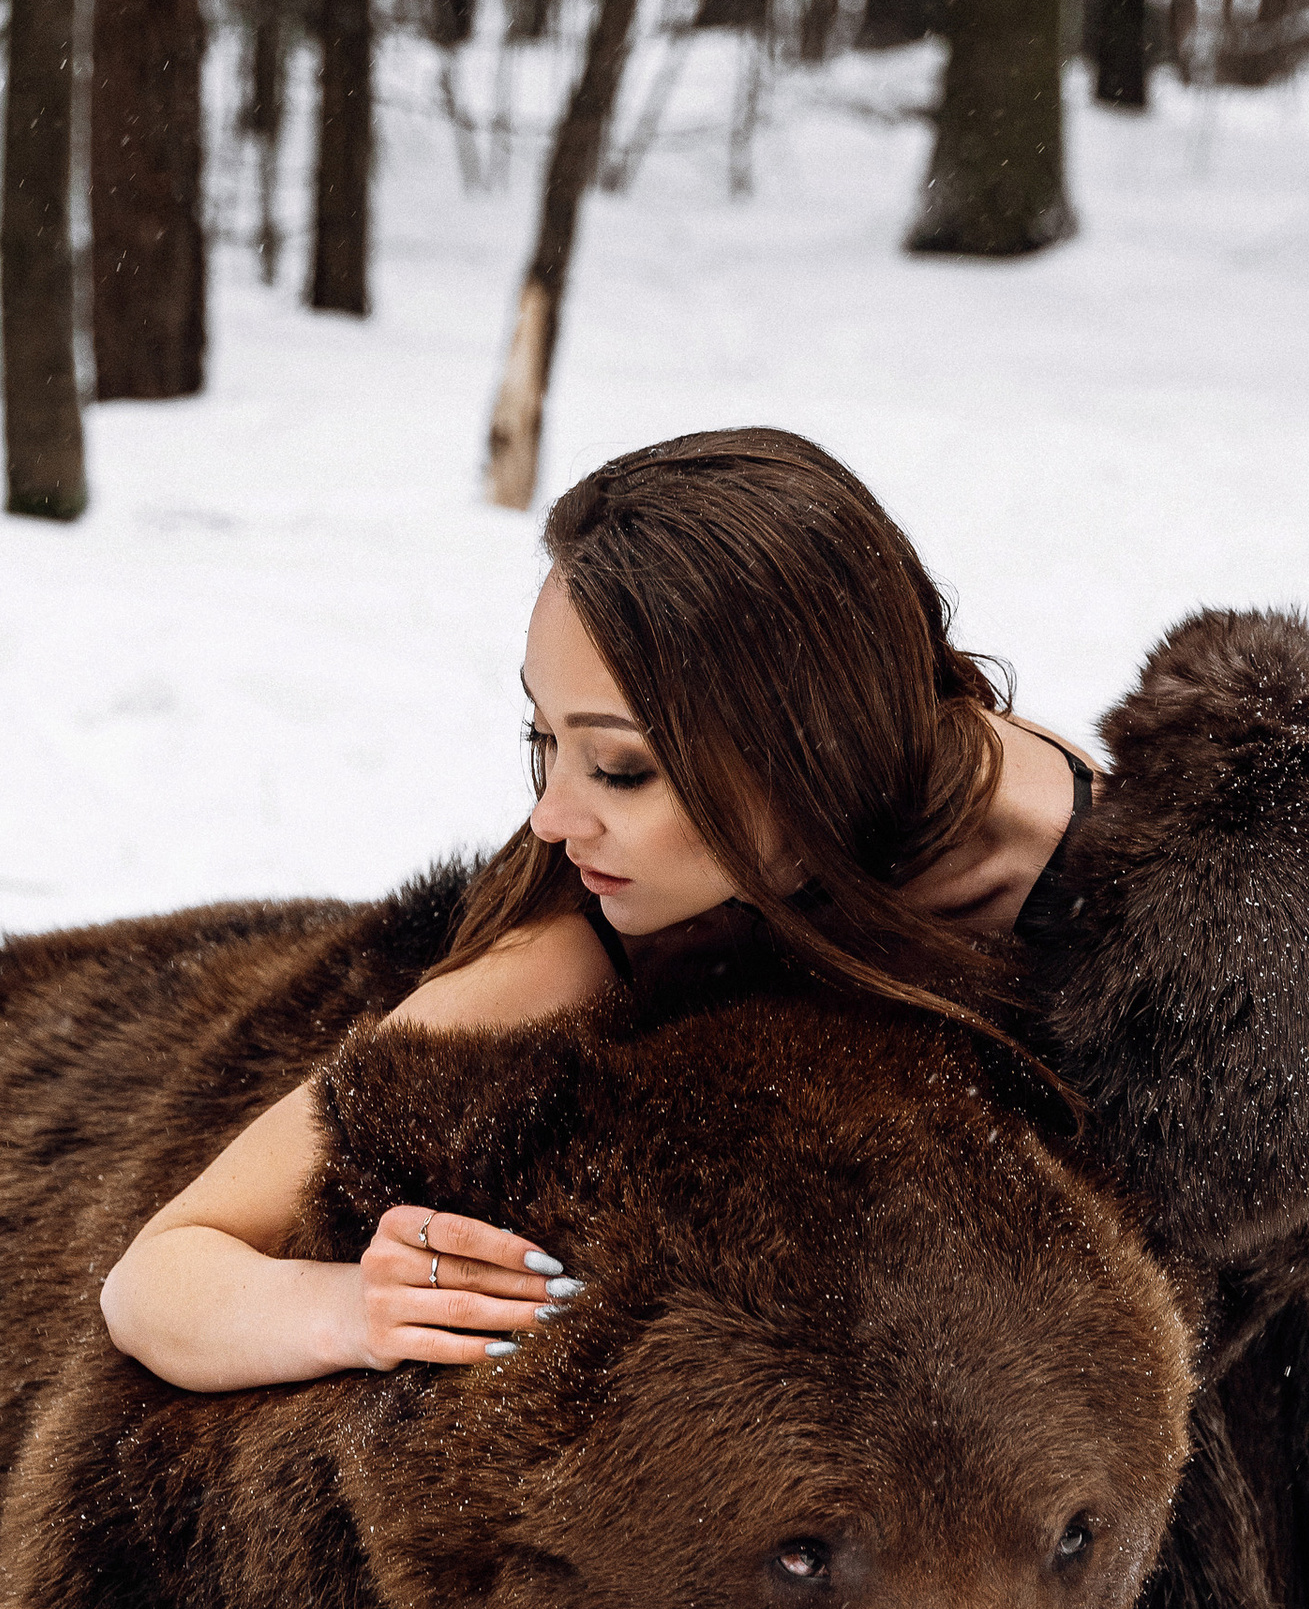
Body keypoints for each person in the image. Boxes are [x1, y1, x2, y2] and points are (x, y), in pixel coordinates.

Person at [99, 429, 1102, 1395]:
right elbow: (157, 1280)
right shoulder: (581, 945)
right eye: (543, 739)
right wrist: (345, 1307)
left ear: (820, 750)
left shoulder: (1083, 856)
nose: (550, 816)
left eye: (619, 767)